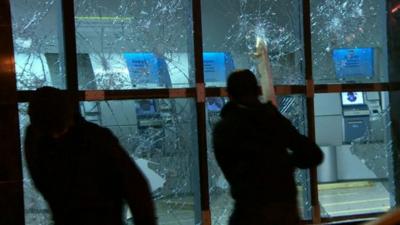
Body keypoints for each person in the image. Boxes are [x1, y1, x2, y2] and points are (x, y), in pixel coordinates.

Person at [24, 86, 157, 225]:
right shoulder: (38, 139)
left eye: (58, 131)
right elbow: (136, 187)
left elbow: (135, 187)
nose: (55, 136)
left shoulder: (97, 140)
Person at [212, 70, 323, 225]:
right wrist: (286, 164)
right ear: (257, 90)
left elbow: (232, 171)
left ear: (228, 94)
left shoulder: (225, 128)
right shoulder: (273, 119)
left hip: (250, 211)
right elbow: (313, 153)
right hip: (285, 209)